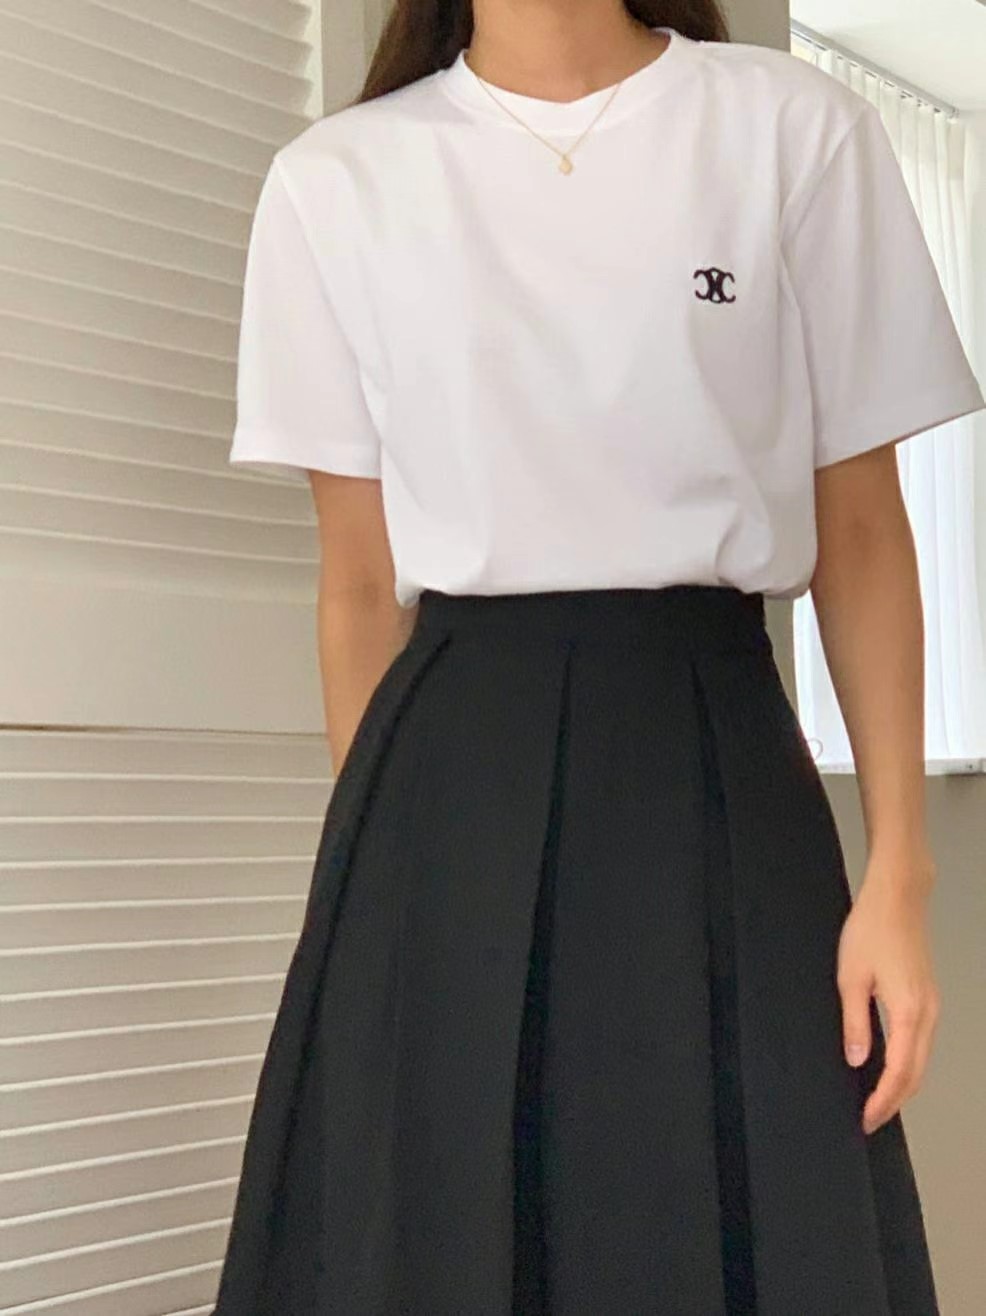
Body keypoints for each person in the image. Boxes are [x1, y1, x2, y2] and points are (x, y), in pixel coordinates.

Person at [211, 2, 986, 1312]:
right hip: (441, 773)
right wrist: (379, 892)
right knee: (439, 1219)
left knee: (753, 1197)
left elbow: (861, 533)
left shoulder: (788, 127)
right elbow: (355, 584)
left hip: (712, 745)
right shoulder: (337, 179)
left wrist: (896, 878)